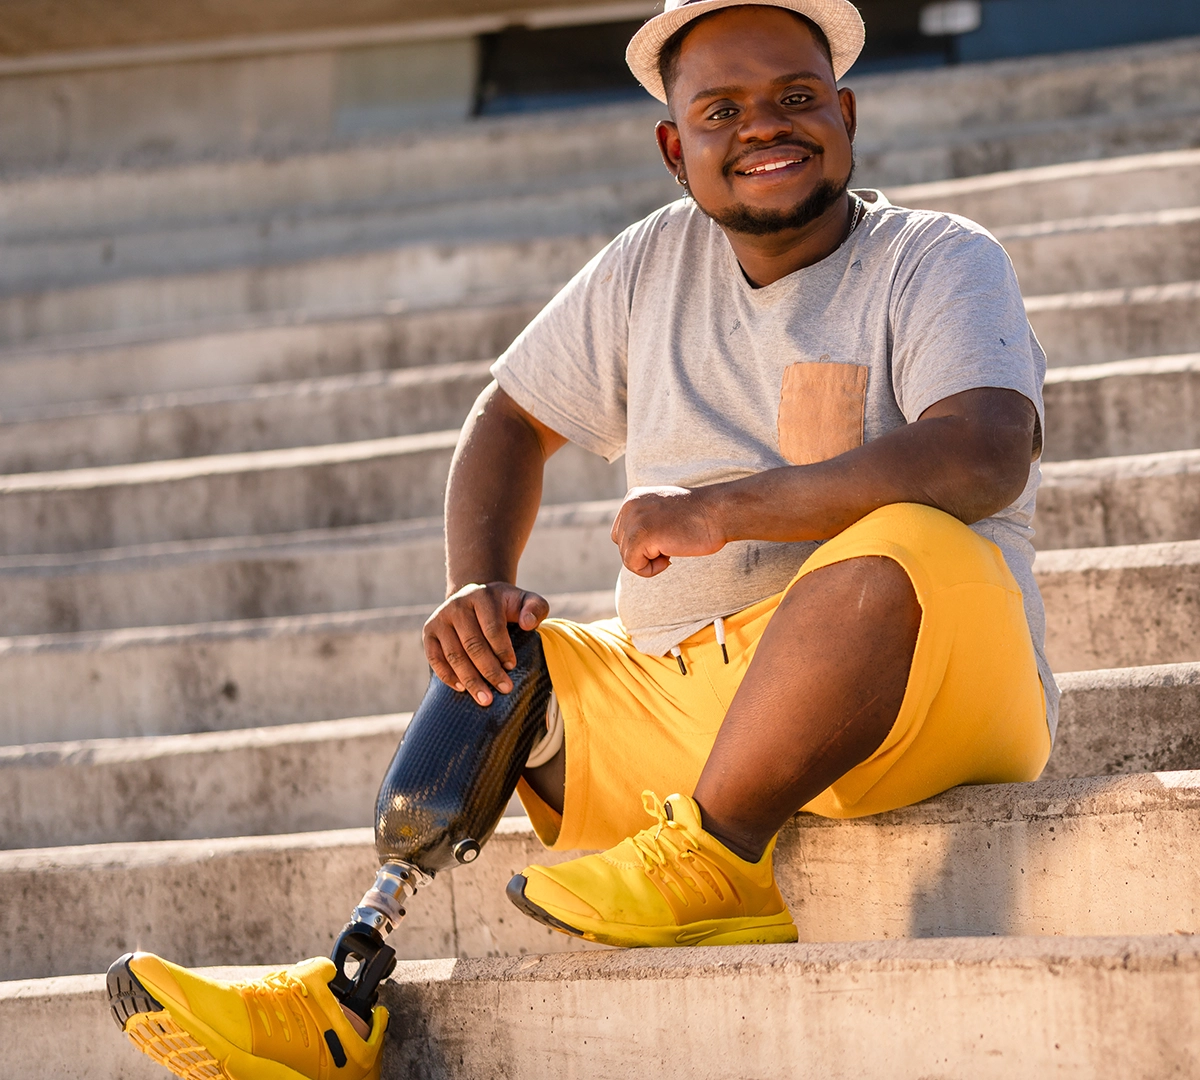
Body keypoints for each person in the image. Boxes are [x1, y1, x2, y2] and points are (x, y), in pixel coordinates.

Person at [107, 2, 1057, 1077]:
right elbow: (507, 418)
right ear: (674, 146)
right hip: (692, 713)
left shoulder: (936, 258)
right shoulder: (649, 265)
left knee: (902, 547)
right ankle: (346, 987)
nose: (765, 127)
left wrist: (721, 509)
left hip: (923, 693)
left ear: (843, 114)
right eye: (721, 110)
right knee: (497, 656)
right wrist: (477, 584)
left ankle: (718, 864)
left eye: (796, 99)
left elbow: (984, 451)